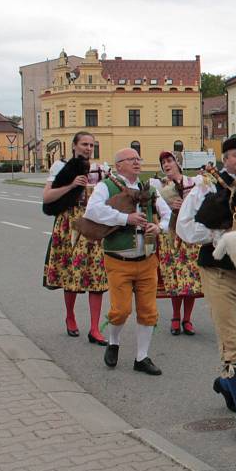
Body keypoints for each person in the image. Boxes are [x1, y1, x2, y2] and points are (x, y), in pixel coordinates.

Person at [177, 133, 236, 446]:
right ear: (225, 158)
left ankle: (225, 385)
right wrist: (220, 229)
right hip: (217, 272)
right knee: (232, 345)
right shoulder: (206, 186)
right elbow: (184, 228)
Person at [84, 147, 171, 376]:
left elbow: (167, 214)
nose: (136, 162)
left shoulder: (150, 188)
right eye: (131, 159)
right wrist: (125, 218)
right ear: (119, 164)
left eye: (138, 159)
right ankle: (114, 342)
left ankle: (142, 357)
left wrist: (158, 227)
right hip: (118, 259)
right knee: (121, 310)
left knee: (148, 311)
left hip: (147, 259)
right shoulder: (106, 185)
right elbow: (92, 211)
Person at [42, 131, 110, 344]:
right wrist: (71, 185)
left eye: (91, 145)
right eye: (84, 144)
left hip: (93, 221)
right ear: (74, 146)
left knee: (97, 274)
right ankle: (70, 316)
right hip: (70, 221)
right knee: (72, 270)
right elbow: (46, 197)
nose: (88, 148)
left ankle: (94, 328)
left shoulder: (100, 169)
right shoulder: (60, 167)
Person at [149, 151, 203, 336]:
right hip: (170, 236)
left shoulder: (194, 183)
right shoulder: (160, 188)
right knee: (174, 277)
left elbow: (203, 206)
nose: (166, 164)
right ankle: (175, 316)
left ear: (178, 162)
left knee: (190, 279)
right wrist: (169, 207)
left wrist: (188, 206)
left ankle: (187, 318)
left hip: (189, 235)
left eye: (169, 160)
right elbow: (154, 209)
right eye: (163, 162)